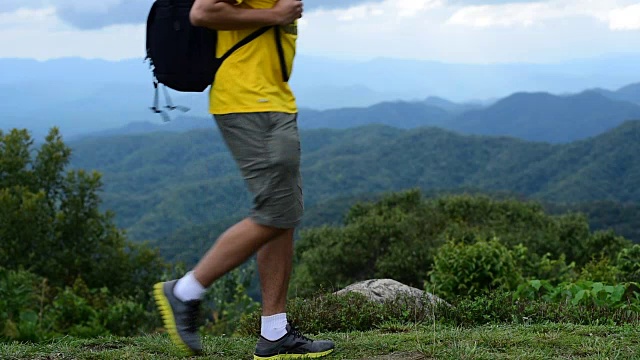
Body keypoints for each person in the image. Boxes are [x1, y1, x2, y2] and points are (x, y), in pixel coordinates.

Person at [152, 0, 335, 358]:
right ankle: (186, 290)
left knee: (284, 213)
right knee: (276, 212)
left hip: (271, 99)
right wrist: (274, 16)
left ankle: (274, 331)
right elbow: (202, 12)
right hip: (248, 101)